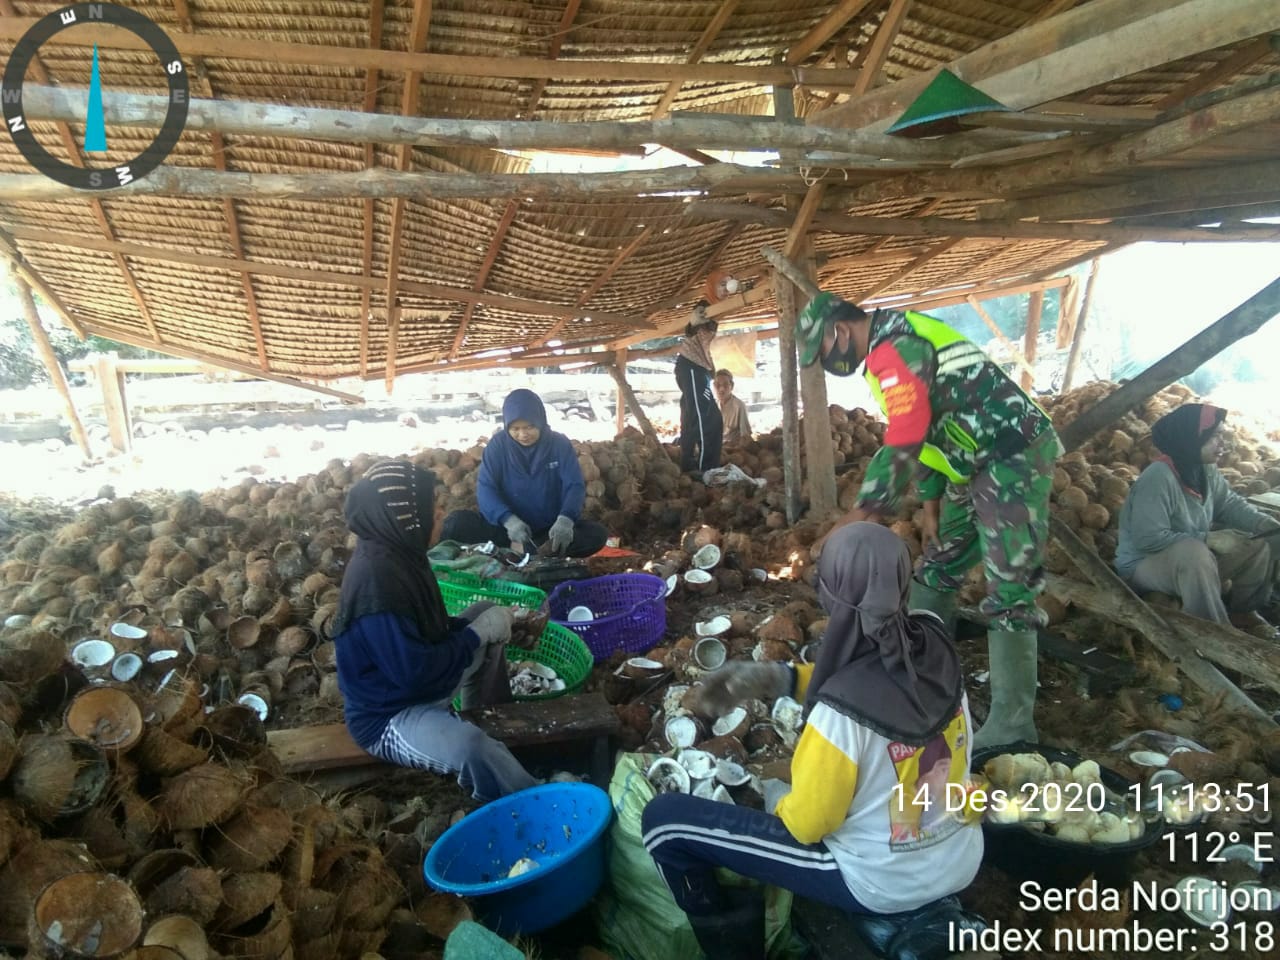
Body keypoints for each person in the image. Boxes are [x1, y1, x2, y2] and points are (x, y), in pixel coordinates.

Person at [642, 524, 984, 960]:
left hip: (880, 881)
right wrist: (779, 679)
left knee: (665, 822)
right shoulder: (935, 646)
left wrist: (778, 796)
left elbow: (806, 826)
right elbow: (872, 676)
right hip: (959, 857)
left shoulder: (838, 717)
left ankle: (732, 947)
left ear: (834, 596)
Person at [800, 292, 1062, 750]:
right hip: (969, 460)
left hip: (1010, 454)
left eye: (820, 352)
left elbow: (907, 430)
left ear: (838, 332)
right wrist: (930, 499)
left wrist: (864, 511)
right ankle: (917, 671)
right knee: (938, 564)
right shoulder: (890, 350)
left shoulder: (895, 348)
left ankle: (1012, 724)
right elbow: (926, 429)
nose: (825, 362)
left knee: (1010, 587)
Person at [332, 459, 537, 801]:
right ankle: (534, 800)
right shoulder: (376, 582)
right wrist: (476, 634)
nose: (441, 513)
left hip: (422, 685)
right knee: (471, 748)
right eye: (433, 508)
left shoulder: (401, 553)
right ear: (405, 518)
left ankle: (487, 716)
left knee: (484, 612)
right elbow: (416, 674)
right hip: (392, 714)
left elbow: (431, 632)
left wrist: (484, 624)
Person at [1114, 403, 1280, 636]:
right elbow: (1147, 539)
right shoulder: (1158, 478)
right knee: (1193, 552)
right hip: (1143, 566)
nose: (1223, 443)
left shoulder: (1205, 469)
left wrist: (1263, 523)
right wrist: (1208, 538)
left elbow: (1229, 503)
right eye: (1215, 436)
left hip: (1191, 561)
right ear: (1191, 438)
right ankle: (1213, 632)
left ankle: (1242, 612)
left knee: (1257, 543)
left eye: (1222, 435)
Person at [440, 389, 608, 557]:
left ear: (540, 421)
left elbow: (574, 485)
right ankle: (527, 552)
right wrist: (508, 520)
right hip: (504, 530)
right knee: (455, 523)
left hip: (547, 531)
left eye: (530, 427)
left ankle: (528, 552)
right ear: (507, 425)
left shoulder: (559, 444)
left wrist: (566, 519)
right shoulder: (497, 446)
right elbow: (486, 489)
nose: (523, 434)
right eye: (515, 428)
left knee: (596, 534)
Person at [676, 301, 723, 475]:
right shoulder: (705, 311)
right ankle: (706, 469)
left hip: (696, 370)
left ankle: (688, 463)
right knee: (705, 418)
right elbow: (691, 328)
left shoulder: (712, 317)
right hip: (692, 367)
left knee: (694, 415)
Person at [713, 368, 752, 444]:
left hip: (733, 447)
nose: (721, 389)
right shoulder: (712, 406)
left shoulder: (739, 406)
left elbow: (745, 435)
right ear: (713, 386)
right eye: (717, 385)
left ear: (732, 386)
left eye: (725, 385)